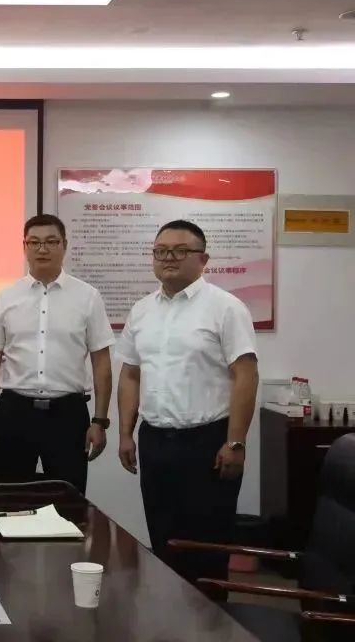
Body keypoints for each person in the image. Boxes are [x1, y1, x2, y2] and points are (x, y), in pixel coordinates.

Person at [116, 219, 258, 585]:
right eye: (161, 251)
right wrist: (126, 434)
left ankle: (212, 616)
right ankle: (169, 613)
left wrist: (236, 441)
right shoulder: (142, 310)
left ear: (203, 259)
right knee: (164, 540)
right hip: (155, 441)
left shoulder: (226, 308)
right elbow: (130, 374)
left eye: (180, 251)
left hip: (208, 444)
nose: (169, 258)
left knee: (207, 546)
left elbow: (245, 374)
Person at [0, 214, 114, 495]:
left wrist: (99, 421)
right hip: (15, 413)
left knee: (69, 501)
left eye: (51, 242)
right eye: (35, 242)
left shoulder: (87, 296)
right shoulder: (4, 298)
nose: (43, 249)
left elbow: (101, 362)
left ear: (65, 245)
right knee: (11, 501)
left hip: (67, 415)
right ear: (24, 247)